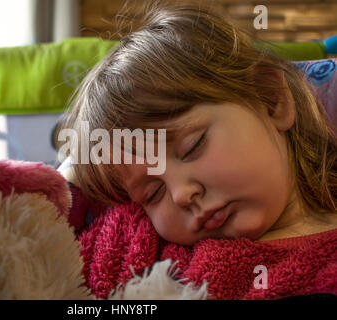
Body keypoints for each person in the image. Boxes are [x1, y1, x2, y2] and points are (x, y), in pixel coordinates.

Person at [61, 3, 337, 247]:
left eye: (193, 147)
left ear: (270, 98)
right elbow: (46, 228)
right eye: (153, 193)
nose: (182, 195)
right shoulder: (155, 259)